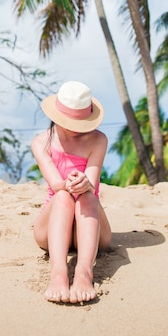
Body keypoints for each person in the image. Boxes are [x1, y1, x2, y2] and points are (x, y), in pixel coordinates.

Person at [31, 80, 112, 304]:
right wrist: (69, 183)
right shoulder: (41, 142)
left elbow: (92, 182)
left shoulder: (98, 139)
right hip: (54, 226)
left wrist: (84, 182)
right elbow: (56, 183)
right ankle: (58, 272)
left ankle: (84, 272)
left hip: (90, 227)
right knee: (63, 195)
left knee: (86, 195)